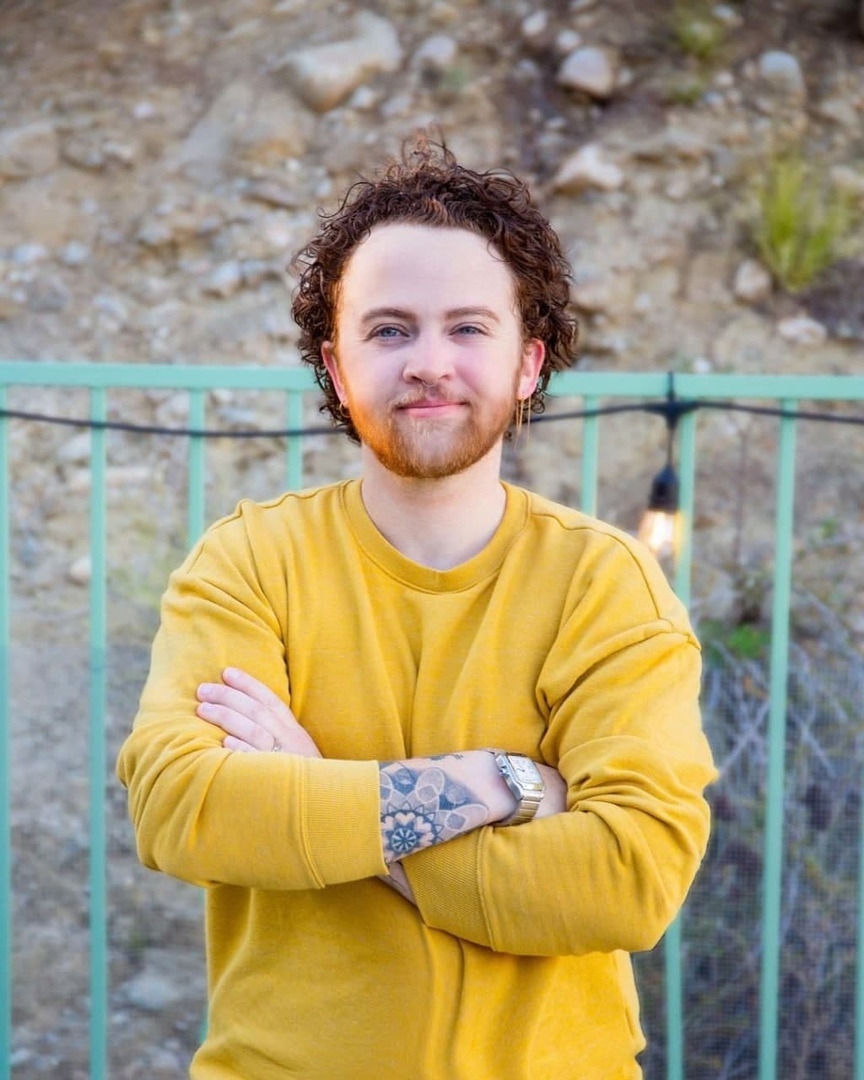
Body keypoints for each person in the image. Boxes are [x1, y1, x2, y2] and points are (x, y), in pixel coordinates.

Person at [117, 136, 716, 1079]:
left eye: (468, 328)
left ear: (528, 362)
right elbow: (180, 807)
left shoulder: (605, 584)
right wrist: (501, 785)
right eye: (390, 330)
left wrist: (323, 800)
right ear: (336, 365)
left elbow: (629, 879)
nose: (429, 363)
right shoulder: (250, 561)